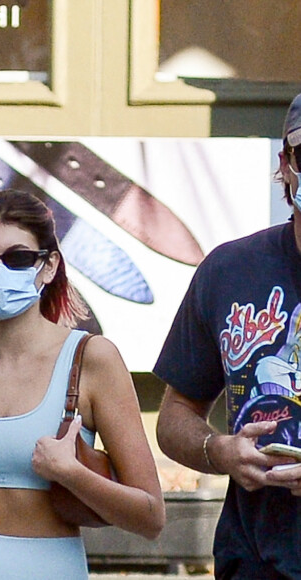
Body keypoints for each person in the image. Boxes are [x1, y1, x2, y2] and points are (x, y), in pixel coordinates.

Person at [0, 189, 165, 580]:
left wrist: (71, 473)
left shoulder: (92, 360)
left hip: (48, 566)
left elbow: (150, 517)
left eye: (18, 258)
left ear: (48, 267)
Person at [154, 93, 301, 579]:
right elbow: (176, 413)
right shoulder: (230, 270)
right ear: (286, 163)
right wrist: (216, 451)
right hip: (255, 556)